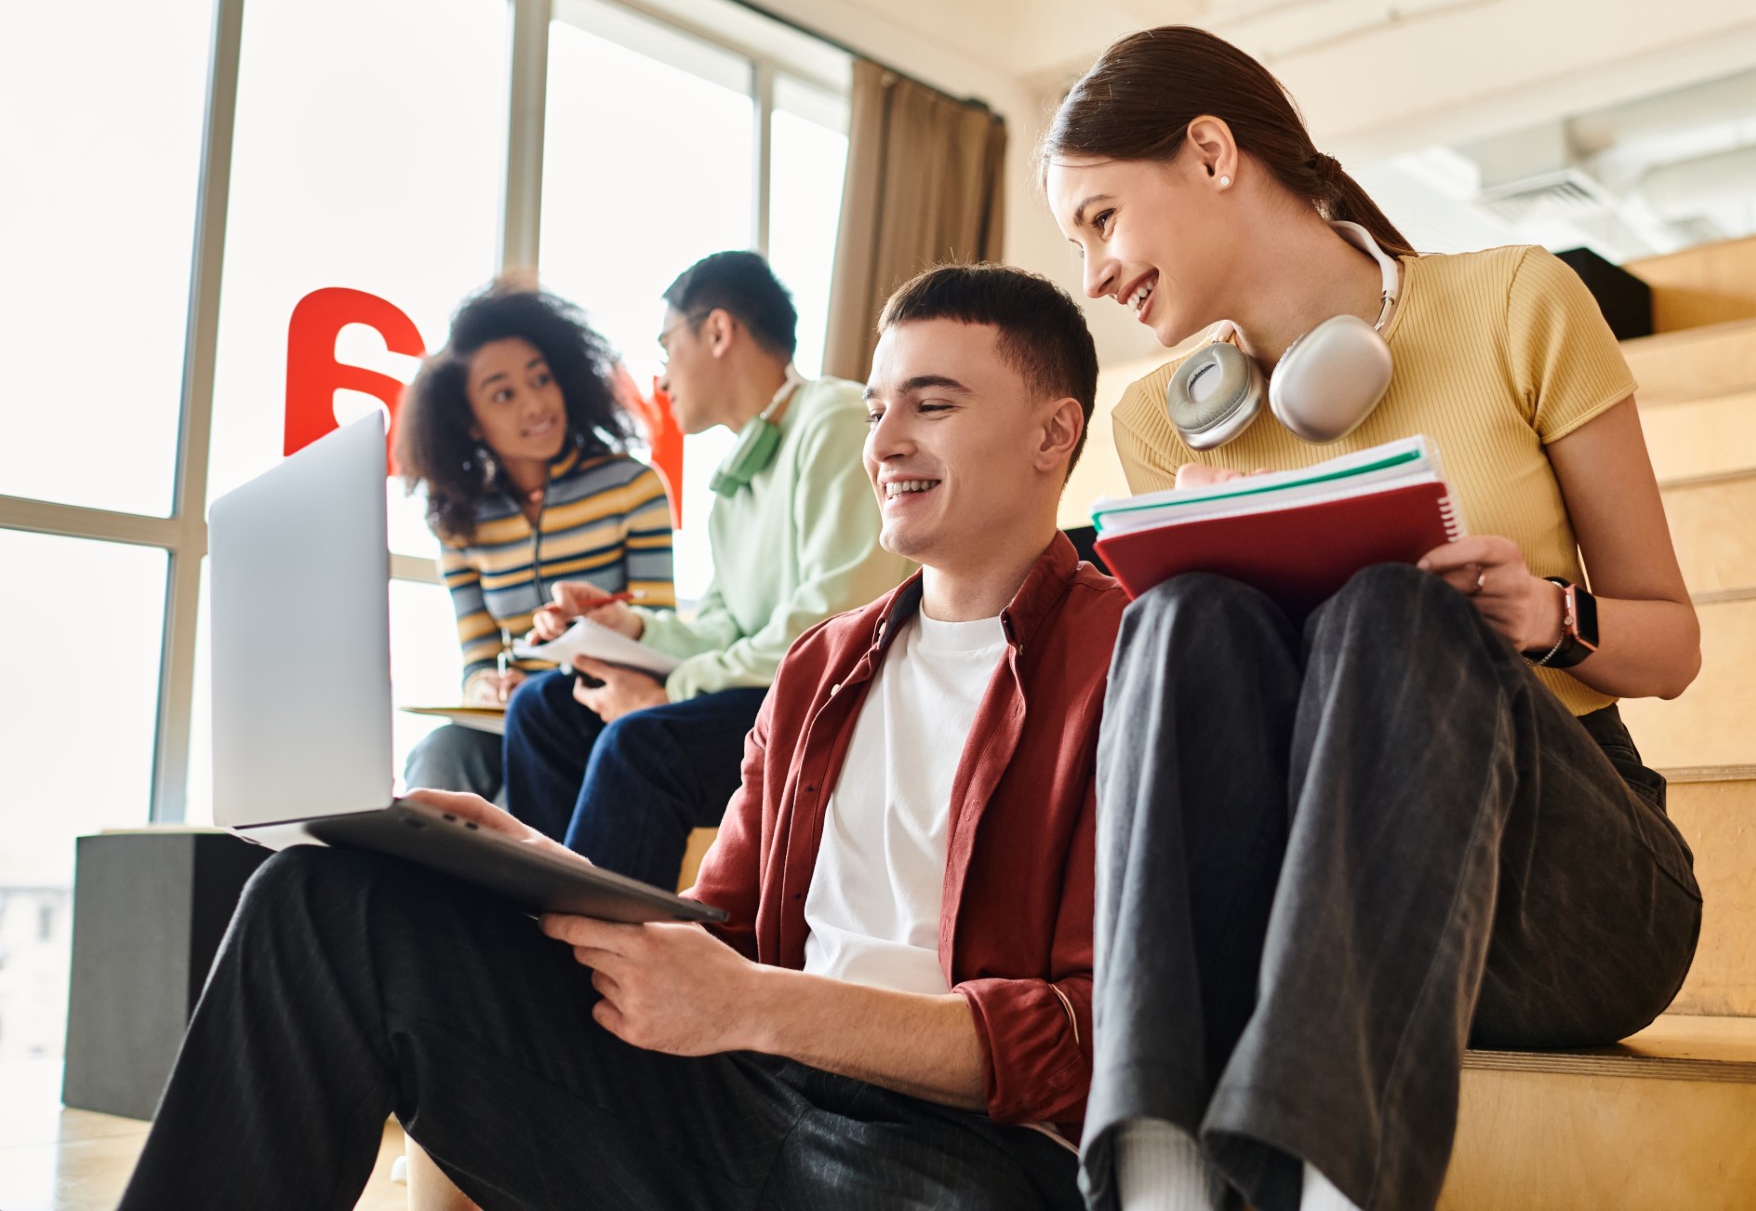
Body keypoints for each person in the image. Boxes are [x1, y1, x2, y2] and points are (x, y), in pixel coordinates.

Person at [117, 263, 1121, 1211]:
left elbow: (1090, 1038)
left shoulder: (1131, 661)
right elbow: (721, 932)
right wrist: (536, 867)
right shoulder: (823, 667)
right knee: (323, 901)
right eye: (876, 410)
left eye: (931, 405)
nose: (885, 442)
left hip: (952, 1154)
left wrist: (753, 1006)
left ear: (1052, 433)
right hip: (750, 1096)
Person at [1041, 27, 1703, 1211]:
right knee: (1179, 616)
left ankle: (1334, 1185)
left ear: (1210, 153)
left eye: (1101, 219)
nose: (1093, 274)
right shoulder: (1159, 425)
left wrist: (1543, 613)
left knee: (1398, 605)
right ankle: (1160, 1179)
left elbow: (1675, 644)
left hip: (1566, 893)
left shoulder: (1515, 301)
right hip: (1310, 904)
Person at [502, 251, 912, 889]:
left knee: (643, 743)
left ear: (718, 331)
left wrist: (673, 691)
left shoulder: (833, 419)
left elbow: (831, 630)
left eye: (666, 347)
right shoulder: (732, 486)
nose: (661, 377)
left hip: (823, 704)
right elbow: (722, 625)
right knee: (542, 707)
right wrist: (630, 629)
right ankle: (530, 923)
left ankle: (584, 949)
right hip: (762, 688)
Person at [395, 285, 675, 800]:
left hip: (597, 712)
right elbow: (478, 659)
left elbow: (660, 630)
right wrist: (487, 687)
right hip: (505, 722)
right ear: (469, 422)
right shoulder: (461, 525)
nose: (536, 404)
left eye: (542, 379)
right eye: (504, 395)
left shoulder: (632, 487)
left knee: (516, 783)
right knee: (439, 753)